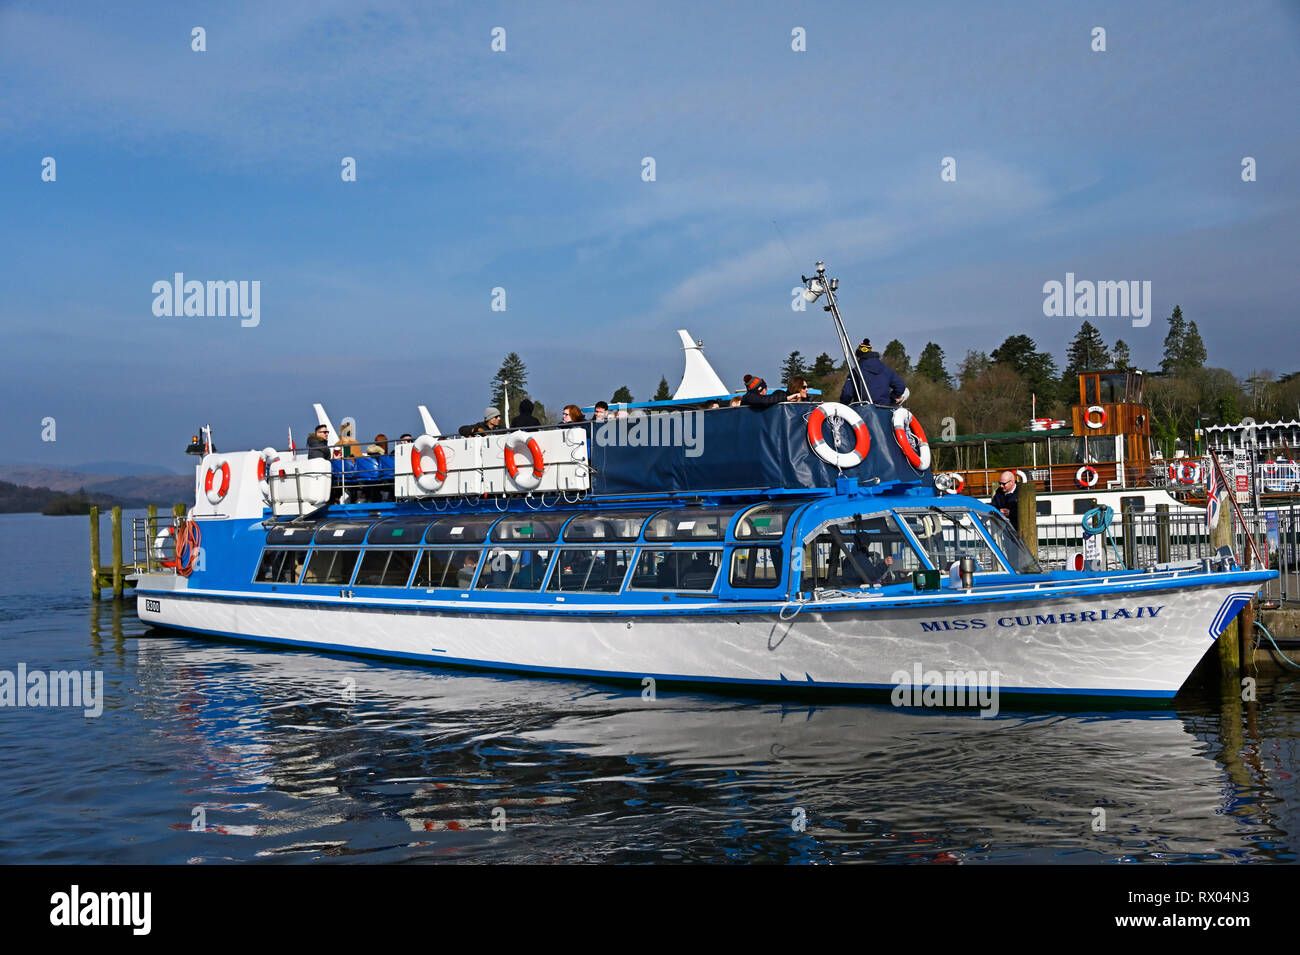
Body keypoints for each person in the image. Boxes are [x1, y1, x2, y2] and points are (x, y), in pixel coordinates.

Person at [838, 338, 909, 406]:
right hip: (884, 409)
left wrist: (843, 406)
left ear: (858, 356)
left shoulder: (856, 372)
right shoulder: (886, 370)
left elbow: (847, 394)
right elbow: (900, 386)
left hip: (863, 411)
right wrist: (891, 398)